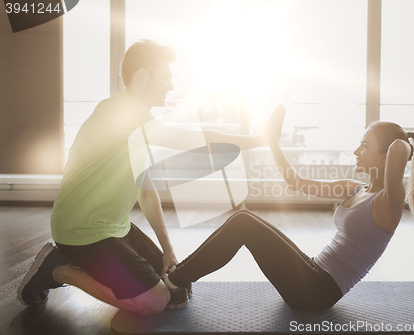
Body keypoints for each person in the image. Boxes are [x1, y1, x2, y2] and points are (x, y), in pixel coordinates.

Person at [17, 40, 284, 315]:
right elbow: (192, 140)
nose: (170, 85)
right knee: (154, 300)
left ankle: (89, 266)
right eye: (165, 76)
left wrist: (168, 250)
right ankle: (58, 268)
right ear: (143, 76)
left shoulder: (138, 123)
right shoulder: (118, 113)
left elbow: (146, 191)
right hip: (81, 231)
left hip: (114, 228)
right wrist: (259, 138)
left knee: (177, 287)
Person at [163, 114, 414, 311]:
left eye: (364, 146)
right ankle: (180, 278)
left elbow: (398, 149)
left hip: (318, 292)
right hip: (313, 271)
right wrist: (273, 143)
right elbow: (296, 182)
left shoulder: (389, 202)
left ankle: (174, 281)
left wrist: (404, 141)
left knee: (243, 222)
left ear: (386, 155)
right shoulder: (356, 189)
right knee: (245, 221)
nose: (356, 151)